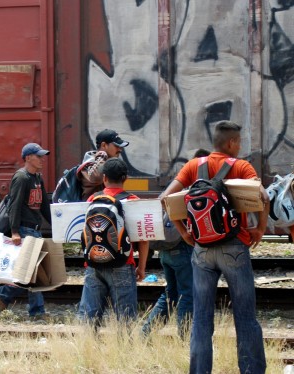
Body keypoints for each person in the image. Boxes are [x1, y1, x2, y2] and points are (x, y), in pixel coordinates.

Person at [160, 121, 269, 374]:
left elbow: (166, 199)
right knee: (245, 317)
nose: (240, 146)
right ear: (231, 143)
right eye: (239, 142)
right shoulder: (241, 166)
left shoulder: (193, 166)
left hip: (201, 250)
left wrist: (185, 232)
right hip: (234, 246)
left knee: (201, 319)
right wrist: (260, 229)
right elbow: (263, 196)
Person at [141, 149, 210, 338]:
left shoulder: (180, 185)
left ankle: (146, 334)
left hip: (166, 251)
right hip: (182, 249)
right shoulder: (198, 190)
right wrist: (184, 233)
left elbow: (162, 200)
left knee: (171, 294)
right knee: (188, 293)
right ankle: (186, 338)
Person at [77, 158, 149, 325]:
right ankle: (123, 350)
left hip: (93, 265)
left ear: (104, 178)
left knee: (89, 318)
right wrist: (141, 267)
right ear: (125, 179)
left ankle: (86, 349)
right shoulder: (132, 201)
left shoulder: (92, 200)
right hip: (122, 264)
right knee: (125, 320)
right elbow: (143, 240)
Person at [0, 143, 52, 319]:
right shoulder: (21, 178)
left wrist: (57, 226)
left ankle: (4, 294)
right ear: (27, 158)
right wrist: (15, 231)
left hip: (35, 230)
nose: (41, 159)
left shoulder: (37, 179)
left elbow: (44, 206)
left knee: (31, 272)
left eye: (42, 156)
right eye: (38, 156)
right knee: (34, 272)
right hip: (25, 230)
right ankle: (36, 311)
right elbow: (14, 206)